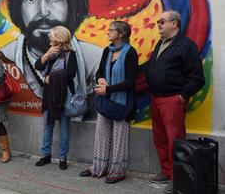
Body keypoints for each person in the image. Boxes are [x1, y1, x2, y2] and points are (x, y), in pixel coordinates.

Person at [1, 0, 102, 118]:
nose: (43, 12)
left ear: (72, 2)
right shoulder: (5, 56)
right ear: (18, 7)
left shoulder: (94, 60)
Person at [146, 10, 205, 194]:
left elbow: (197, 77)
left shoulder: (186, 46)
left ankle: (177, 179)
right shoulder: (161, 43)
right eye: (158, 22)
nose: (159, 25)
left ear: (175, 23)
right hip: (156, 99)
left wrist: (183, 96)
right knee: (161, 139)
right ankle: (165, 171)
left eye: (162, 21)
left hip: (173, 100)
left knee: (175, 142)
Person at [79, 21, 138, 184]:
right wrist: (100, 79)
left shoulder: (131, 53)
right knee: (101, 136)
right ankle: (98, 168)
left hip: (123, 103)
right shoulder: (107, 50)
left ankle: (117, 172)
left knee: (120, 139)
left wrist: (109, 89)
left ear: (121, 34)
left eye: (111, 30)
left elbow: (131, 81)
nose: (108, 32)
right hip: (105, 101)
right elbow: (99, 71)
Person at [33, 26, 78, 170]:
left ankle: (63, 158)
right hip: (49, 95)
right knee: (48, 126)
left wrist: (50, 78)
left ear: (59, 38)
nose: (50, 39)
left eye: (52, 36)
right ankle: (45, 155)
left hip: (64, 96)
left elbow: (70, 74)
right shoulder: (50, 54)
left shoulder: (71, 54)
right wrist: (46, 54)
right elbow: (38, 65)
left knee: (64, 128)